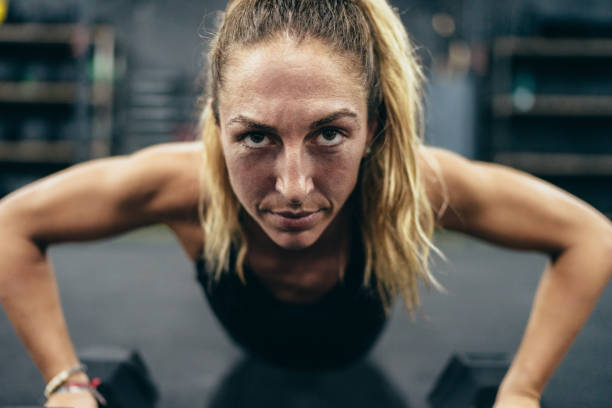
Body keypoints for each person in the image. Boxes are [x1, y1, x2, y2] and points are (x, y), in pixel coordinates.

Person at [0, 0, 610, 407]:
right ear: (217, 125)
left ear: (372, 127)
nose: (293, 188)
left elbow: (590, 236)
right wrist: (66, 383)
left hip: (360, 366)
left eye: (329, 134)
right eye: (257, 136)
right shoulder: (183, 185)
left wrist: (521, 393)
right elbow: (13, 224)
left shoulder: (413, 184)